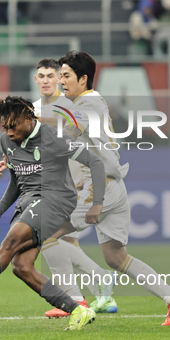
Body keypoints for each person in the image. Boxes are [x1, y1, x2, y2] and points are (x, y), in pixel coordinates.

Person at [43, 51, 170, 326]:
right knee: (115, 257)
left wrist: (29, 118)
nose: (60, 81)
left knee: (47, 233)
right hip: (113, 186)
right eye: (60, 75)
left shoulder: (88, 102)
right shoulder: (81, 103)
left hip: (98, 189)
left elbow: (66, 128)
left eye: (66, 75)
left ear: (83, 78)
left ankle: (74, 301)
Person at [0, 96, 107, 331]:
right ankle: (79, 311)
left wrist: (97, 204)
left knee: (10, 242)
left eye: (14, 126)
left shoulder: (55, 138)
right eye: (5, 127)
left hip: (57, 199)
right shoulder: (6, 142)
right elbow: (16, 181)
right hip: (29, 201)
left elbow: (95, 163)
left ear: (29, 119)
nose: (9, 132)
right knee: (21, 266)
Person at [28, 58, 119, 318]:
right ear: (36, 79)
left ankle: (74, 300)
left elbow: (70, 137)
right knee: (64, 241)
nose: (46, 80)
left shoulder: (70, 103)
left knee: (53, 239)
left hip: (75, 183)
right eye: (41, 76)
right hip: (52, 183)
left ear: (60, 79)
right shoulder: (35, 107)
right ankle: (98, 290)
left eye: (51, 75)